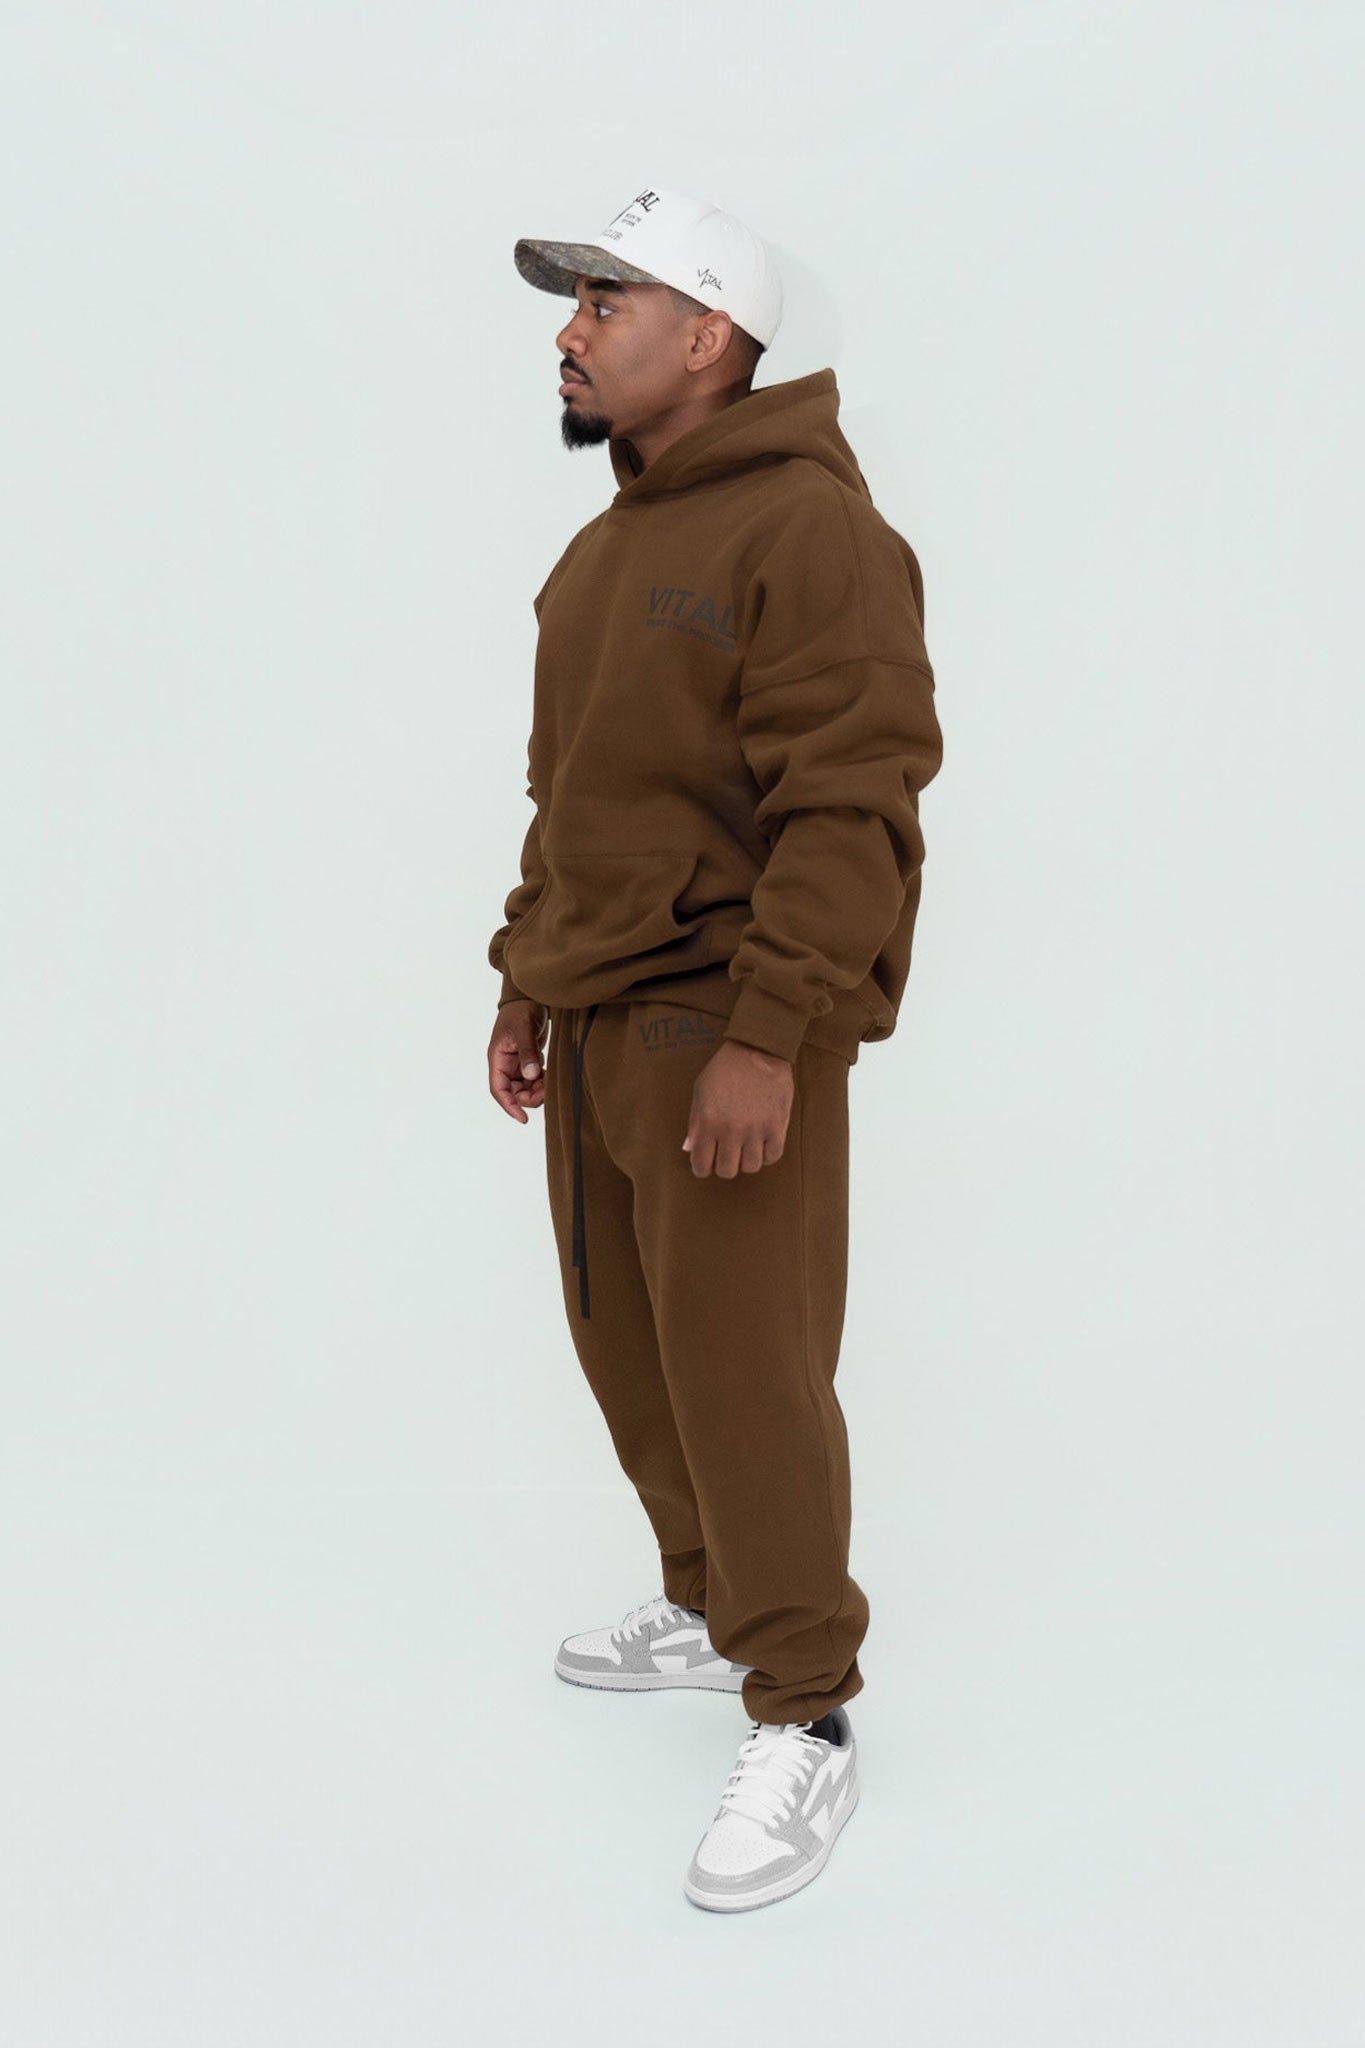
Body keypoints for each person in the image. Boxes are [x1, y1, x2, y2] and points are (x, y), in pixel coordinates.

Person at [485, 185, 944, 1913]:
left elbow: (852, 801)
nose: (568, 332)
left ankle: (804, 1705)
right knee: (632, 1353)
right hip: (597, 1011)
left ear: (707, 337)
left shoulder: (810, 532)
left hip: (721, 1023)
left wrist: (770, 1034)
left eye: (604, 304)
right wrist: (524, 976)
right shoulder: (601, 554)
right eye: (573, 304)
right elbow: (571, 798)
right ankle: (704, 1597)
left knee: (746, 1371)